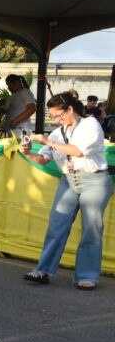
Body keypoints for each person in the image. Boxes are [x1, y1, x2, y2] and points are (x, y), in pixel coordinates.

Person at [21, 92, 112, 289]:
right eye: (53, 117)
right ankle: (43, 270)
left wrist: (47, 141)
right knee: (57, 224)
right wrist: (28, 152)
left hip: (94, 180)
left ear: (70, 109)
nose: (57, 120)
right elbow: (44, 159)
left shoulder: (90, 124)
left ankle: (86, 276)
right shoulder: (57, 133)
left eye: (59, 116)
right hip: (68, 180)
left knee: (91, 229)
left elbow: (78, 150)